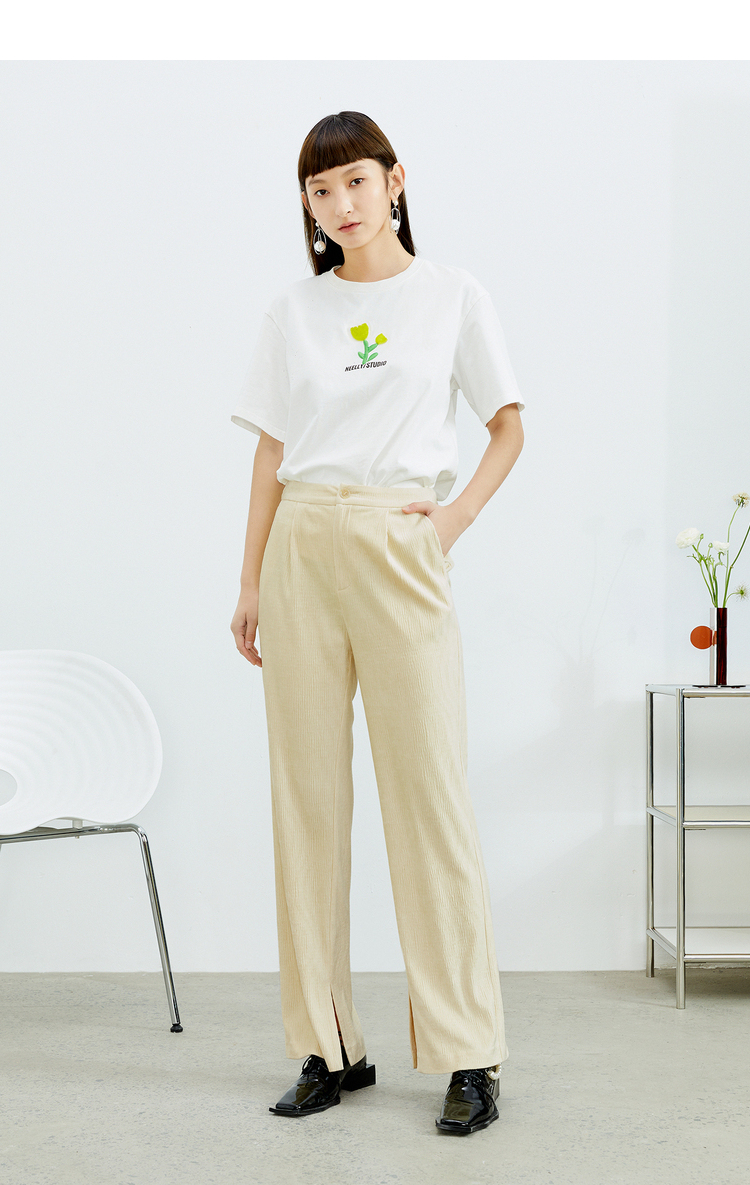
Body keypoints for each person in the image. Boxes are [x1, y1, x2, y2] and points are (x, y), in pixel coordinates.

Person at [229, 110, 525, 1136]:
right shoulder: (293, 311)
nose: (340, 205)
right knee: (306, 799)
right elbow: (271, 452)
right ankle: (329, 1043)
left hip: (402, 543)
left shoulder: (453, 295)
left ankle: (469, 1051)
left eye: (355, 181)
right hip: (303, 544)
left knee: (428, 796)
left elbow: (507, 426)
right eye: (320, 191)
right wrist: (249, 579)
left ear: (395, 181)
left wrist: (450, 521)